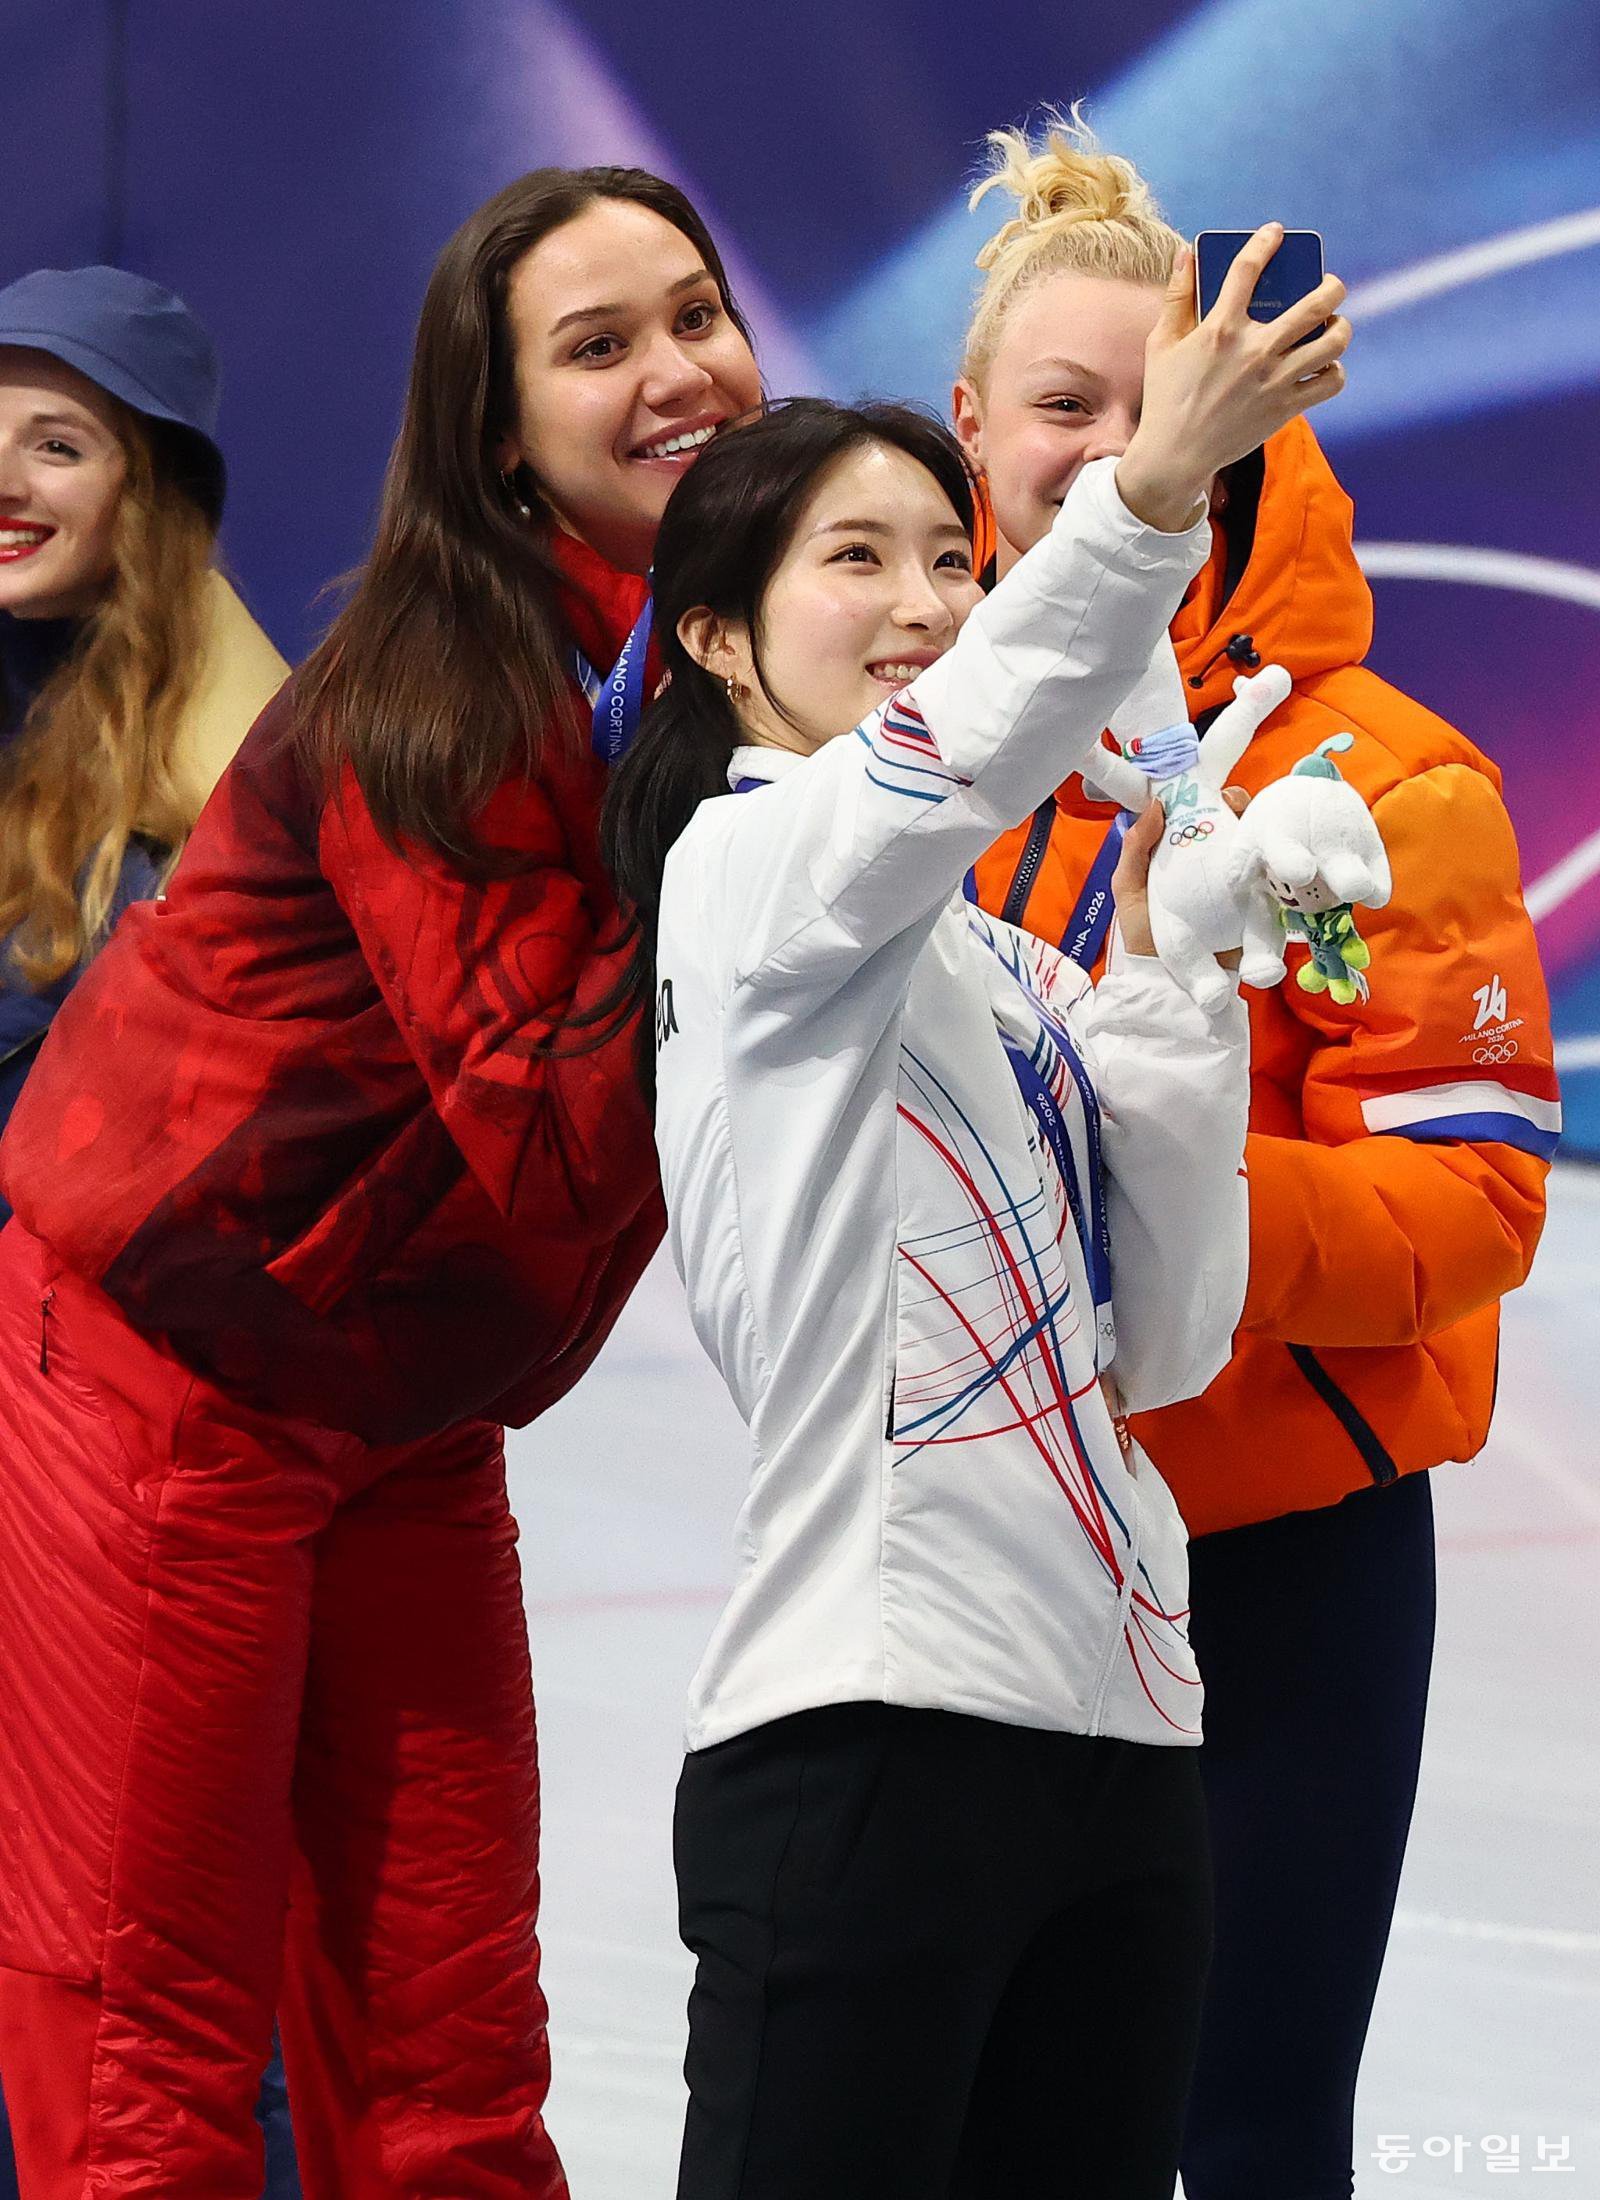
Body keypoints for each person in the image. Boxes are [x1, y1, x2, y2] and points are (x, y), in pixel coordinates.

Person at [0, 167, 761, 2200]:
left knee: (447, 2029)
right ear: (496, 433)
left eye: (693, 313)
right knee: (150, 2027)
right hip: (171, 1374)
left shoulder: (729, 659)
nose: (677, 368)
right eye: (598, 346)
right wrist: (777, 839)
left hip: (400, 1406)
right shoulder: (450, 690)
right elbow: (552, 1139)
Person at [600, 219, 1349, 2199]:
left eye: (948, 555)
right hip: (861, 1736)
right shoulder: (747, 880)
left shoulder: (1000, 976)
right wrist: (1152, 490)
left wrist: (1185, 962)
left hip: (1118, 1743)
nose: (925, 598)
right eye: (854, 558)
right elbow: (948, 766)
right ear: (711, 635)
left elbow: (1168, 1328)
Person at [952, 119, 1558, 2200]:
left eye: (1166, 402)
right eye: (1067, 402)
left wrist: (1155, 1206)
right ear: (971, 422)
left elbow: (1470, 1198)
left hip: (1273, 1567)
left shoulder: (1386, 780)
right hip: (975, 1541)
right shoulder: (913, 743)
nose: (1118, 446)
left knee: (1233, 2120)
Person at [0, 263, 296, 2199]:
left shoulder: (235, 781)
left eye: (58, 440)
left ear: (152, 486)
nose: (5, 481)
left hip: (112, 1451)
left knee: (147, 1959)